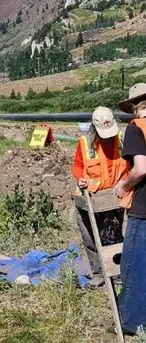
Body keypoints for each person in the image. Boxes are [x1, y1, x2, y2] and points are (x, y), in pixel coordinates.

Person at [71, 106, 127, 287]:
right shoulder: (85, 143)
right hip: (88, 196)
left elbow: (129, 166)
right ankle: (98, 273)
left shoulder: (120, 140)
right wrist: (80, 179)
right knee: (89, 237)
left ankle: (118, 273)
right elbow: (78, 165)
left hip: (112, 196)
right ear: (94, 128)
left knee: (113, 235)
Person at [113, 83, 146, 336]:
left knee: (134, 265)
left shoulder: (137, 129)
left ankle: (130, 321)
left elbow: (141, 169)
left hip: (143, 208)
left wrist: (124, 185)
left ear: (135, 107)